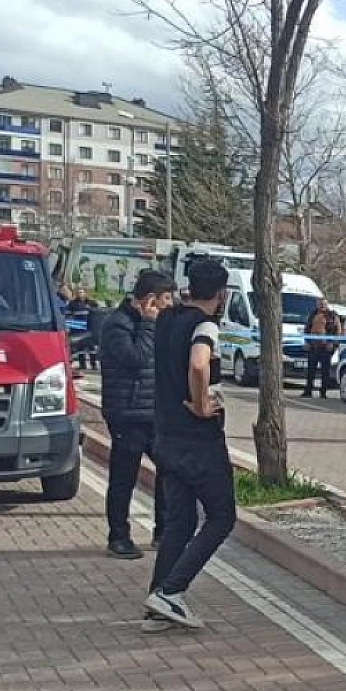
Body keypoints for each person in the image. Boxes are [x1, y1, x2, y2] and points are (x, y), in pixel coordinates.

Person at [145, 260, 238, 631]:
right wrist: (202, 406)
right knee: (221, 517)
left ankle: (157, 605)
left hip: (165, 435)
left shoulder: (167, 318)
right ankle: (171, 591)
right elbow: (199, 365)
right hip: (198, 442)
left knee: (179, 523)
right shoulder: (205, 325)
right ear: (220, 294)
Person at [101, 270, 176, 561]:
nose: (171, 304)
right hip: (127, 413)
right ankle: (118, 535)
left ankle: (164, 530)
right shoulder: (117, 325)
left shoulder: (159, 324)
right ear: (149, 301)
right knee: (124, 477)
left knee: (169, 471)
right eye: (166, 299)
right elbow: (136, 359)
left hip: (156, 412)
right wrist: (146, 324)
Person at [301, 297, 343, 398]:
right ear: (317, 304)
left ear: (327, 304)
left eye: (324, 304)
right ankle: (308, 391)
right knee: (311, 371)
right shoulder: (312, 315)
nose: (322, 305)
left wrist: (333, 344)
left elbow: (338, 331)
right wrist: (306, 342)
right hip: (313, 347)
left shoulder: (333, 316)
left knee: (325, 372)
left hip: (326, 348)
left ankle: (323, 393)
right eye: (320, 304)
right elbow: (307, 329)